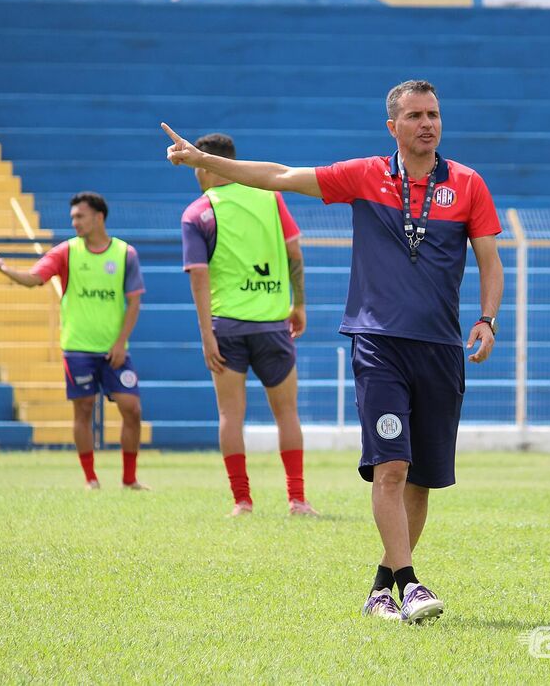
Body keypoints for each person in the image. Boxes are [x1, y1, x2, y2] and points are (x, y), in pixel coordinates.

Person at [162, 79, 504, 623]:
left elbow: (490, 259)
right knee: (391, 466)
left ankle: (381, 590)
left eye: (433, 114)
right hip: (378, 344)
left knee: (422, 478)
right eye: (414, 115)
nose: (427, 124)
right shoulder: (365, 175)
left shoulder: (467, 184)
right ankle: (411, 583)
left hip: (441, 347)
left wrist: (487, 319)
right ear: (392, 126)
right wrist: (206, 161)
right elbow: (277, 176)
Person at [181, 132, 318, 517]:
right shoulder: (270, 197)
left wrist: (206, 333)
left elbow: (198, 276)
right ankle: (297, 499)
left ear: (205, 165)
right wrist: (299, 304)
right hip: (273, 323)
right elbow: (294, 251)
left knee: (229, 415)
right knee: (287, 413)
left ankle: (242, 501)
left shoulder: (197, 213)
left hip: (226, 326)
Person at [0, 191, 149, 491]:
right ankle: (90, 479)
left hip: (115, 349)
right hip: (77, 348)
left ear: (99, 217)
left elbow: (134, 303)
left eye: (80, 216)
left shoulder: (126, 254)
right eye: (72, 217)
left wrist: (119, 343)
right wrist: (6, 269)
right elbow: (35, 279)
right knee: (83, 409)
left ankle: (129, 479)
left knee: (132, 409)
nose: (74, 222)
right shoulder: (66, 252)